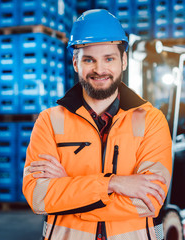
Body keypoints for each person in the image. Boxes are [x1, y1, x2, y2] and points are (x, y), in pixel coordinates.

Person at [22, 9, 172, 240]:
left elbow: (149, 201)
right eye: (89, 60)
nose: (99, 70)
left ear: (123, 61)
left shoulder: (152, 120)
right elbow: (39, 197)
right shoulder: (49, 121)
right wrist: (114, 184)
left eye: (109, 59)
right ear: (75, 63)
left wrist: (67, 190)